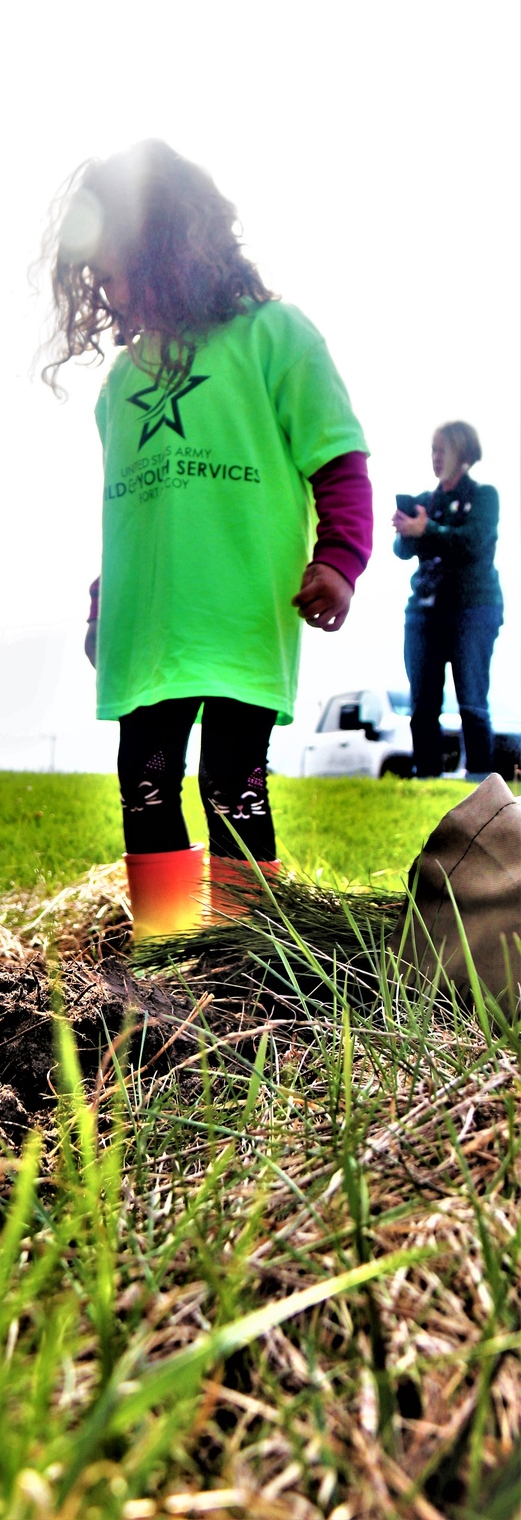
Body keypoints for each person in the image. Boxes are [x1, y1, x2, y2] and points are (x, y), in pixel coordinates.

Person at [43, 141, 373, 936]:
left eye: (117, 271)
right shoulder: (120, 386)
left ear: (172, 249)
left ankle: (244, 957)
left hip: (238, 617)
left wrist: (339, 562)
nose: (110, 294)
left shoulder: (278, 338)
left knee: (232, 784)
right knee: (144, 781)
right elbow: (137, 513)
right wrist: (104, 604)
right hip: (148, 628)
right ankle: (165, 951)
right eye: (99, 280)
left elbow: (339, 459)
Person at [393, 422, 503, 779]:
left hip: (473, 610)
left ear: (464, 454)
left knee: (472, 701)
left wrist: (429, 531)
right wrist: (407, 529)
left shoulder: (484, 497)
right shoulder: (427, 501)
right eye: (433, 450)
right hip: (424, 612)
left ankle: (481, 786)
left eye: (443, 450)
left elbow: (472, 542)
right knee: (422, 703)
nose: (436, 458)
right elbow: (401, 550)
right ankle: (426, 778)